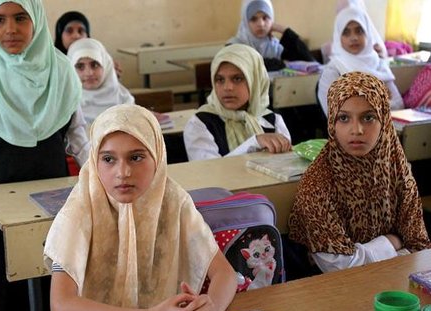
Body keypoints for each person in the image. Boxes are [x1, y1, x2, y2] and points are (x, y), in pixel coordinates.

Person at [0, 0, 89, 311]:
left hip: (56, 199)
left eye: (20, 18)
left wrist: (93, 169)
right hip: (1, 200)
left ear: (37, 21)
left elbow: (77, 132)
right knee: (5, 287)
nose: (9, 29)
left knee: (56, 274)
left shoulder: (61, 70)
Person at [44, 104, 237, 311]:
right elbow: (61, 307)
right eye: (108, 159)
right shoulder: (80, 209)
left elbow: (225, 273)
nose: (123, 172)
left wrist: (211, 307)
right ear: (94, 161)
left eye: (136, 157)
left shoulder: (174, 201)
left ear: (158, 155)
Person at [288, 72, 431, 273]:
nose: (357, 130)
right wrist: (392, 242)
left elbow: (419, 247)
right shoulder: (318, 183)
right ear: (332, 124)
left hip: (395, 281)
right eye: (344, 118)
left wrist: (379, 253)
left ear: (384, 122)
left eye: (369, 117)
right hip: (337, 290)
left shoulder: (397, 171)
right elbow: (340, 265)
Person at [184, 44, 291, 161]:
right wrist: (255, 143)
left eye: (237, 79)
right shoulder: (200, 123)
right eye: (220, 80)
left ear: (255, 81)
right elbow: (209, 172)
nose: (227, 87)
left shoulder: (273, 121)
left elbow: (286, 166)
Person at [317, 4, 404, 115]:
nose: (354, 38)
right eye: (346, 33)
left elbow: (399, 104)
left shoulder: (379, 64)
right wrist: (380, 103)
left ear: (367, 33)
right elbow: (336, 115)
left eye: (359, 31)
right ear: (339, 38)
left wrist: (359, 106)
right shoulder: (333, 71)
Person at [226, 0, 315, 71]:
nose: (261, 24)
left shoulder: (276, 47)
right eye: (253, 19)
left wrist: (284, 30)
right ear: (245, 22)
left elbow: (309, 61)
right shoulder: (234, 46)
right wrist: (281, 64)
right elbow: (249, 64)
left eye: (265, 18)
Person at [67, 38, 134, 124]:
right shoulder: (65, 107)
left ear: (106, 65)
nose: (89, 73)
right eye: (80, 66)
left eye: (95, 65)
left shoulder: (126, 103)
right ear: (70, 69)